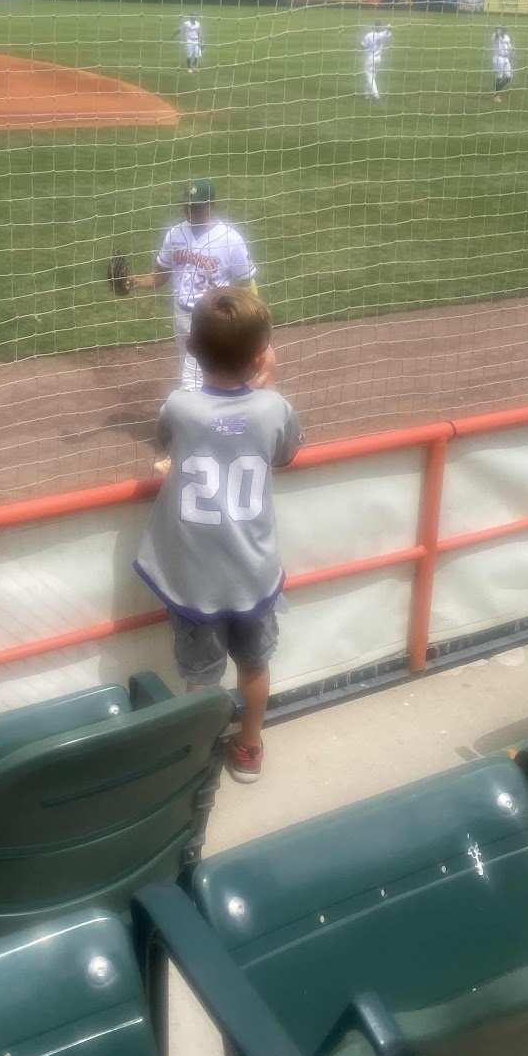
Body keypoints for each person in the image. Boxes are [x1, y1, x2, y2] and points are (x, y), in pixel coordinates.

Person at [133, 288, 303, 784]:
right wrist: (267, 384)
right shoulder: (274, 408)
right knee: (254, 667)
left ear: (191, 348)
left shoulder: (180, 405)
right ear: (261, 355)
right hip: (253, 573)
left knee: (202, 679)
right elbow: (285, 453)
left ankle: (200, 763)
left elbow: (166, 441)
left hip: (193, 577)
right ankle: (249, 748)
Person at [123, 179, 257, 390]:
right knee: (196, 366)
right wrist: (134, 282)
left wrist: (249, 316)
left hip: (212, 317)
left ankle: (194, 405)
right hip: (181, 314)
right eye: (187, 205)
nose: (190, 210)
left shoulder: (230, 239)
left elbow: (246, 280)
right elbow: (160, 276)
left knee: (193, 379)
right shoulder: (174, 234)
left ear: (211, 205)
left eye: (196, 206)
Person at [360, 23, 391, 100]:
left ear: (373, 26)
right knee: (373, 77)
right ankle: (367, 93)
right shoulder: (382, 34)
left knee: (370, 77)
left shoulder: (369, 35)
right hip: (378, 59)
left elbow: (363, 45)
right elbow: (387, 33)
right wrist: (388, 28)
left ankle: (376, 94)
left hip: (370, 58)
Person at [491, 26, 513, 102]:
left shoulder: (507, 37)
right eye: (501, 29)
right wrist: (498, 30)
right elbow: (497, 35)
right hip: (498, 58)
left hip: (506, 58)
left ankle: (496, 89)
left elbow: (509, 47)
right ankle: (496, 96)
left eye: (504, 29)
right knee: (499, 76)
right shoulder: (495, 36)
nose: (503, 31)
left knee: (508, 77)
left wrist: (511, 55)